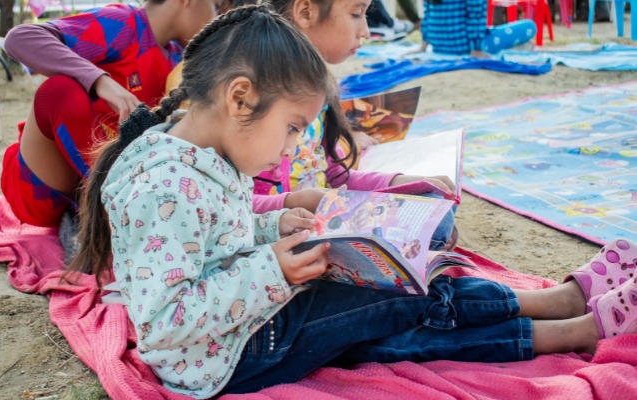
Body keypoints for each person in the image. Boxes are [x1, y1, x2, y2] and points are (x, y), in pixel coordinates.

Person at [68, 5, 637, 397]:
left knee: (389, 315)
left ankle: (566, 319)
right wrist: (274, 268)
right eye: (292, 128)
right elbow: (168, 324)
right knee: (401, 293)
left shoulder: (203, 152)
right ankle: (562, 314)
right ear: (240, 97)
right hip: (229, 356)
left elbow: (215, 235)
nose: (292, 146)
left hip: (248, 318)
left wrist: (274, 229)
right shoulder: (163, 184)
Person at [0, 0, 229, 229]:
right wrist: (100, 81)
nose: (216, 17)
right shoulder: (123, 25)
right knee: (58, 91)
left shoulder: (179, 59)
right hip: (41, 187)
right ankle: (113, 217)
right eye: (216, 7)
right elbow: (21, 38)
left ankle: (105, 214)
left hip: (101, 183)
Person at [248, 0, 458, 250]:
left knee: (435, 208)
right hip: (277, 238)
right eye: (357, 14)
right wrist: (291, 202)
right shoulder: (256, 96)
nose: (366, 31)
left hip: (324, 218)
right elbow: (223, 205)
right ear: (306, 12)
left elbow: (335, 176)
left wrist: (400, 181)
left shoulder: (320, 92)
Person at [418, 0, 536, 57]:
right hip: (464, 46)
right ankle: (518, 47)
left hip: (439, 46)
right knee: (529, 26)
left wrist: (422, 47)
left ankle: (519, 47)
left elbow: (427, 16)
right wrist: (476, 48)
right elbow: (475, 16)